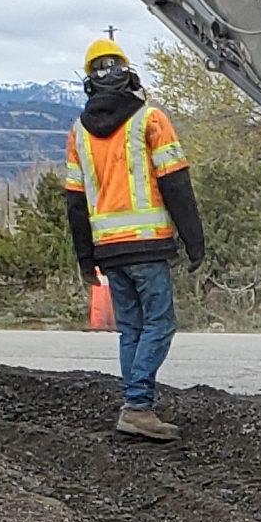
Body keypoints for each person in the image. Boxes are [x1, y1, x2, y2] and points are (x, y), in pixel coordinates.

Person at [63, 36, 204, 439]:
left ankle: (136, 402)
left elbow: (75, 201)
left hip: (108, 250)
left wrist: (84, 258)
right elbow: (175, 183)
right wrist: (194, 242)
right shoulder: (150, 120)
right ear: (129, 74)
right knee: (160, 324)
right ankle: (137, 405)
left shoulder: (78, 132)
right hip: (147, 244)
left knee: (132, 329)